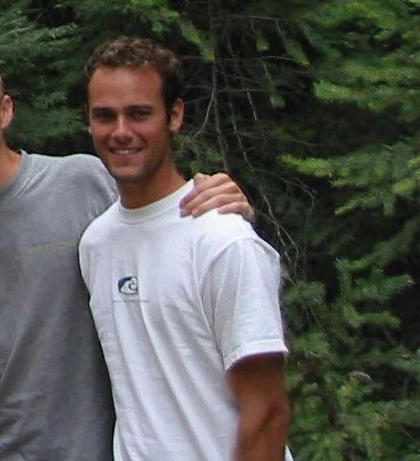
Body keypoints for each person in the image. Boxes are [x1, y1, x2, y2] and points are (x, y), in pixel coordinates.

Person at [0, 50, 254, 461]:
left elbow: (158, 225)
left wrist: (228, 207)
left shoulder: (82, 183)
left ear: (5, 112)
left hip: (92, 448)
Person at [77, 38, 291, 460]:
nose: (121, 132)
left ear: (174, 116)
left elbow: (267, 412)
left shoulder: (222, 241)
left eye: (139, 114)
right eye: (105, 116)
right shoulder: (96, 243)